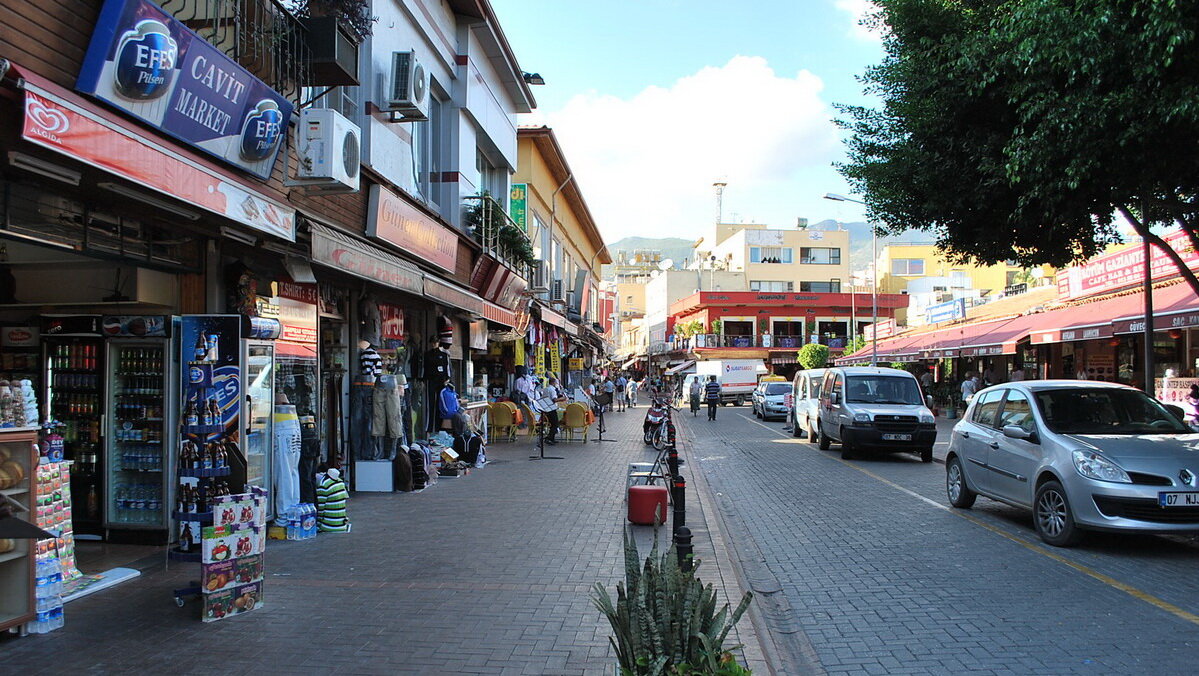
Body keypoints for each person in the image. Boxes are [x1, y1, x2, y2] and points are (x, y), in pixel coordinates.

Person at [533, 376, 566, 444]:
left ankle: (551, 438)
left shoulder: (545, 389)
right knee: (555, 424)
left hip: (546, 408)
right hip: (552, 408)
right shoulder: (552, 390)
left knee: (551, 424)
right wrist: (562, 399)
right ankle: (550, 438)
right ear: (553, 383)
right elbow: (554, 399)